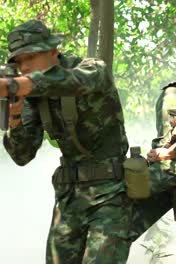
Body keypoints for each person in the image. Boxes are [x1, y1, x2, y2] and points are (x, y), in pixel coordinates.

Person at [1, 20, 134, 263]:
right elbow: (22, 155)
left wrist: (16, 85)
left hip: (111, 195)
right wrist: (15, 115)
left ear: (53, 51)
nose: (24, 67)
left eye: (30, 58)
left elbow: (69, 82)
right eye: (19, 62)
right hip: (69, 198)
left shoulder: (91, 69)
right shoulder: (31, 96)